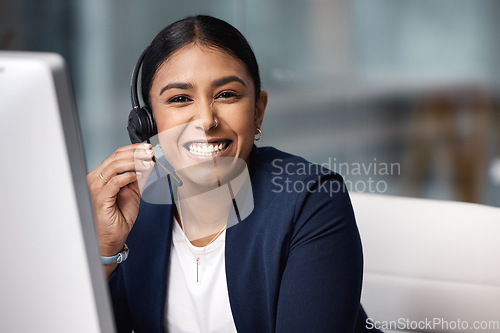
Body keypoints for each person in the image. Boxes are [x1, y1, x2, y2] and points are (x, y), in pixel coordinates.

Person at [87, 15, 377, 333]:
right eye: (180, 99)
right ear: (148, 123)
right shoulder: (139, 206)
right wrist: (103, 247)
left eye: (227, 95)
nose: (206, 121)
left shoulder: (312, 200)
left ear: (257, 111)